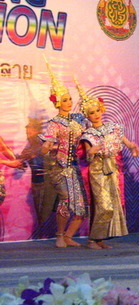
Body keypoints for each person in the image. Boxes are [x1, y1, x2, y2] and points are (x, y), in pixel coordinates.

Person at [76, 77, 138, 249]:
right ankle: (92, 239)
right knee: (103, 206)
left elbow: (126, 143)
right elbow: (88, 155)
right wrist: (92, 151)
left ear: (102, 109)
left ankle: (99, 239)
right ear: (87, 115)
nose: (96, 114)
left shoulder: (113, 128)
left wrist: (133, 147)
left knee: (113, 205)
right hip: (97, 171)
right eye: (91, 113)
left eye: (97, 110)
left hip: (112, 169)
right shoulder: (88, 134)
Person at [40, 57, 88, 248]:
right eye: (64, 100)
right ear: (57, 102)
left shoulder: (78, 119)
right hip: (60, 168)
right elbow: (48, 140)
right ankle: (59, 235)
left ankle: (69, 235)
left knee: (81, 204)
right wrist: (46, 146)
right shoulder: (54, 123)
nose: (68, 102)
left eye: (69, 99)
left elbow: (89, 134)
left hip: (77, 167)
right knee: (66, 200)